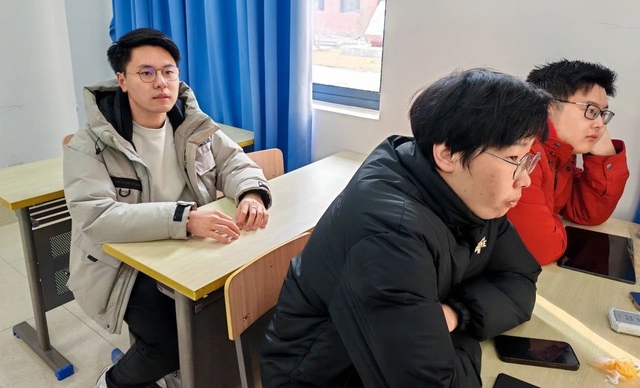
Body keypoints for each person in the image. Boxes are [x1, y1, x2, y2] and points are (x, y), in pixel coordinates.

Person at [261, 68, 551, 387]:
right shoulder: (388, 235)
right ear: (448, 154)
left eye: (527, 159)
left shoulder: (475, 197)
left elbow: (520, 278)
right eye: (514, 158)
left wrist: (457, 312)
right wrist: (454, 335)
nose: (525, 179)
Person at [63, 28, 272, 388]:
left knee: (246, 307)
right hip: (124, 264)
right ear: (122, 80)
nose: (160, 82)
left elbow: (234, 162)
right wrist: (185, 220)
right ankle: (113, 382)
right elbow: (95, 216)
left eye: (168, 71)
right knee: (168, 346)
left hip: (187, 249)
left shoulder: (192, 124)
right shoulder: (90, 144)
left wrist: (250, 193)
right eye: (146, 72)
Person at [507, 60, 629, 266]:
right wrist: (553, 223)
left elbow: (588, 213)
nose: (600, 124)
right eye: (591, 110)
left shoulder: (560, 152)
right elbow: (541, 250)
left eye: (602, 114)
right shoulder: (522, 153)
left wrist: (604, 155)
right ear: (547, 107)